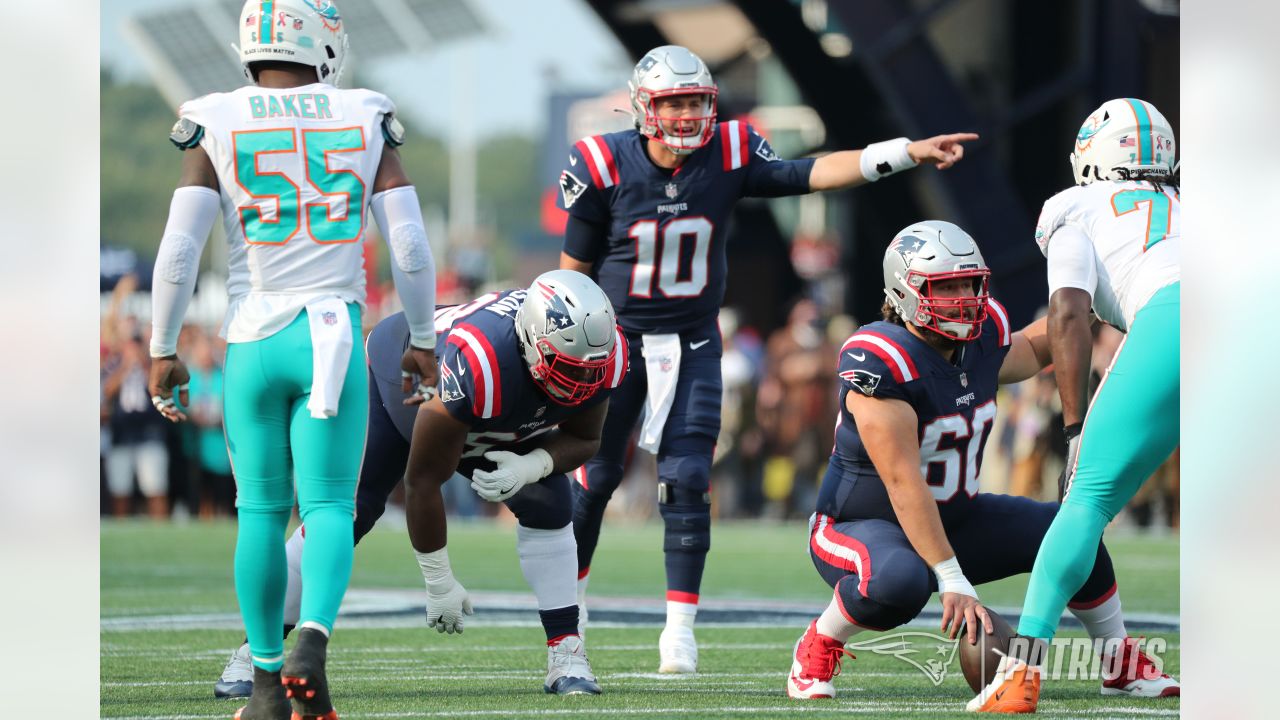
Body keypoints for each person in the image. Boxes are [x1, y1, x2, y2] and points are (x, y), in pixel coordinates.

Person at [558, 43, 980, 673]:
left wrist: (903, 153)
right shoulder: (603, 163)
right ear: (645, 106)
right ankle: (571, 610)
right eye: (673, 102)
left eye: (696, 101)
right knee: (593, 481)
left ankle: (679, 629)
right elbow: (571, 276)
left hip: (694, 339)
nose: (685, 115)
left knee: (690, 479)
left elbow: (807, 173)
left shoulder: (728, 152)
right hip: (617, 342)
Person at [147, 2, 440, 718]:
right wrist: (423, 337)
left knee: (258, 514)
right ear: (322, 42)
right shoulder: (365, 113)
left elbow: (181, 249)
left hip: (252, 335)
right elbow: (407, 245)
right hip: (330, 331)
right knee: (330, 506)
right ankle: (312, 637)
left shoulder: (215, 116)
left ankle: (269, 684)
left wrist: (162, 347)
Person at [783, 221, 1178, 704]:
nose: (964, 297)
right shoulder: (882, 360)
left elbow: (1034, 346)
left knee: (1073, 532)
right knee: (901, 580)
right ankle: (820, 641)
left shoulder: (981, 337)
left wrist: (1101, 303)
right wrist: (952, 579)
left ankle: (1118, 661)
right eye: (945, 287)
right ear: (904, 292)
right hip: (860, 524)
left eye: (969, 283)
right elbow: (904, 481)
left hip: (956, 518)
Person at [216, 270, 627, 699]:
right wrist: (439, 580)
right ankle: (253, 653)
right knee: (351, 508)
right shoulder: (479, 360)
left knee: (550, 500)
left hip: (493, 406)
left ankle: (567, 652)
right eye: (567, 370)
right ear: (530, 339)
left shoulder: (601, 356)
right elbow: (423, 481)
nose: (578, 385)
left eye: (587, 373)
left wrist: (533, 466)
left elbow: (585, 438)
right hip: (405, 383)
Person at [971, 98, 1180, 713]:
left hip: (1177, 317)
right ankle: (1119, 665)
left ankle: (1022, 671)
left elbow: (1067, 311)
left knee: (1083, 500)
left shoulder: (1077, 208)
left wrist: (1074, 428)